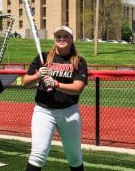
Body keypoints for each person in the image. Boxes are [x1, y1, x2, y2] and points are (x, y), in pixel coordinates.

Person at [24, 26, 88, 171]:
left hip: (69, 112)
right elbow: (26, 82)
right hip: (44, 111)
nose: (62, 39)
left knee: (74, 156)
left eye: (66, 36)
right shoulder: (43, 57)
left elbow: (78, 89)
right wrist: (38, 75)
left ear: (71, 40)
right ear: (55, 39)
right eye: (59, 36)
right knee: (38, 154)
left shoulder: (79, 61)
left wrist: (56, 84)